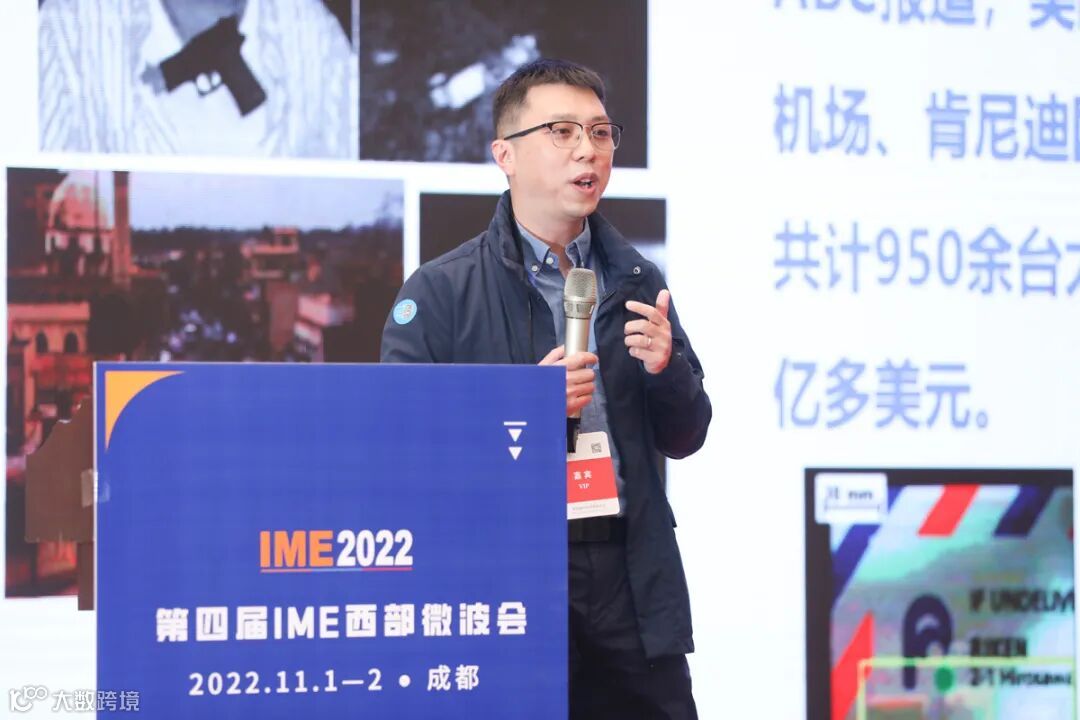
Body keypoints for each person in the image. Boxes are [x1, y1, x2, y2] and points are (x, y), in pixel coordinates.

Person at [381, 58, 710, 719]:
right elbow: (397, 447)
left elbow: (687, 434)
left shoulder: (636, 279)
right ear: (504, 154)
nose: (588, 150)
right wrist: (521, 412)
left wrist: (667, 368)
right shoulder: (442, 291)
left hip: (627, 572)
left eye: (600, 132)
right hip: (506, 574)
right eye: (562, 131)